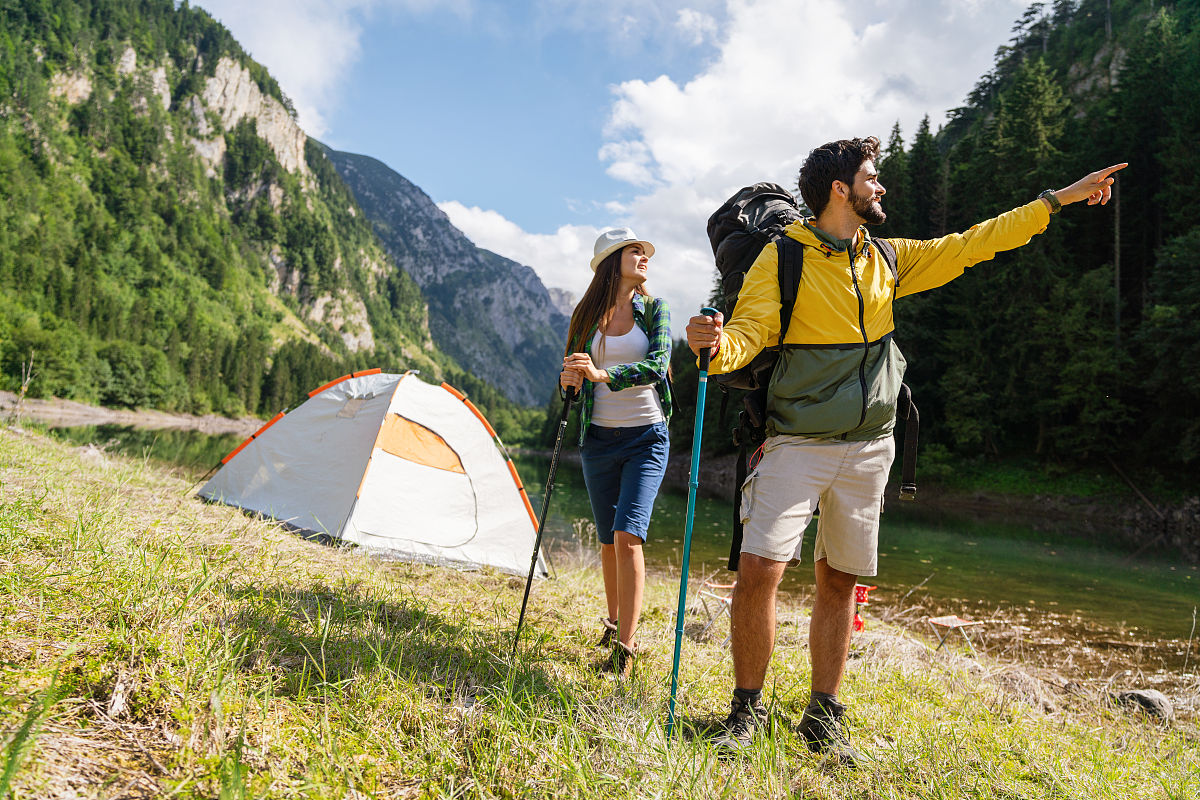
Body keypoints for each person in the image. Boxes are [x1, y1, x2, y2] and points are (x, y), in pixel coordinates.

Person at [685, 136, 1125, 764]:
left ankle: (823, 714)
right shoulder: (785, 259)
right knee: (760, 571)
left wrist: (1058, 199)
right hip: (796, 443)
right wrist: (712, 346)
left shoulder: (887, 259)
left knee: (840, 578)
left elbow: (976, 241)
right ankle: (746, 710)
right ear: (841, 189)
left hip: (871, 448)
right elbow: (748, 337)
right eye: (871, 176)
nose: (880, 185)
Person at [561, 227, 673, 678]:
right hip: (598, 440)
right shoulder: (585, 315)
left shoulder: (656, 310)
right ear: (612, 259)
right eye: (634, 251)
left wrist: (603, 375)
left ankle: (624, 649)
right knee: (608, 540)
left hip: (646, 436)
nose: (644, 256)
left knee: (629, 537)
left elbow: (659, 365)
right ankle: (612, 622)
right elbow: (572, 373)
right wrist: (570, 380)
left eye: (645, 251)